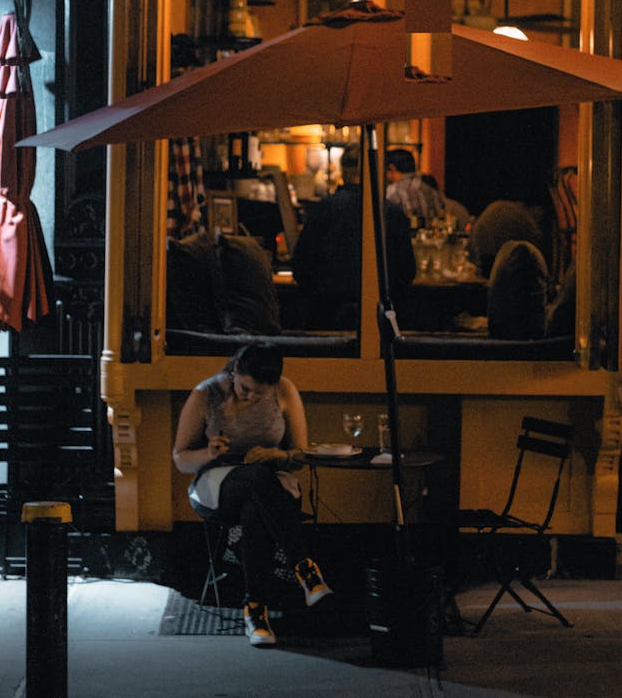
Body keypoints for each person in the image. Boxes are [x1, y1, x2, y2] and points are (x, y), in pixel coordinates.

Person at [172, 343, 332, 647]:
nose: (250, 397)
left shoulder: (285, 391)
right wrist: (209, 451)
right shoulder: (206, 394)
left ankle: (256, 612)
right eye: (246, 388)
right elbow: (180, 459)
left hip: (270, 481)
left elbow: (300, 455)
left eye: (259, 393)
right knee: (257, 483)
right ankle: (305, 569)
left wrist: (275, 454)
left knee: (255, 508)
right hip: (217, 481)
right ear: (235, 372)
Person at [291, 143, 416, 325]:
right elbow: (406, 272)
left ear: (343, 171)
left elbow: (301, 266)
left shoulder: (324, 208)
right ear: (374, 170)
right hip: (381, 319)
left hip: (326, 314)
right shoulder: (391, 212)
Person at [467, 199, 544, 278]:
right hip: (513, 268)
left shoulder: (496, 209)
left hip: (488, 261)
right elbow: (535, 245)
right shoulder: (522, 217)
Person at [385, 148, 446, 225]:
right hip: (432, 235)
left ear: (392, 167)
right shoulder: (430, 188)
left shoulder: (392, 191)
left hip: (405, 235)